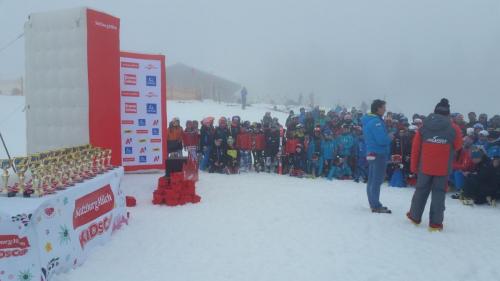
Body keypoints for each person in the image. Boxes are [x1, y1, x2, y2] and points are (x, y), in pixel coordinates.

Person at [407, 98, 463, 232]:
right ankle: (435, 224)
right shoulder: (454, 128)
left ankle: (414, 217)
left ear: (435, 111)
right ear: (448, 113)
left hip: (425, 167)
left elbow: (416, 149)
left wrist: (414, 167)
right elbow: (458, 146)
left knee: (420, 191)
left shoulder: (423, 126)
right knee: (439, 194)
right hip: (442, 169)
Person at [362, 99, 393, 213]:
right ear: (378, 108)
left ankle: (373, 203)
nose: (385, 110)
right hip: (378, 153)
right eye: (384, 107)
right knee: (376, 180)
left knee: (372, 179)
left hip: (371, 152)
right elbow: (381, 140)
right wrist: (389, 137)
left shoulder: (370, 120)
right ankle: (375, 205)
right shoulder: (376, 122)